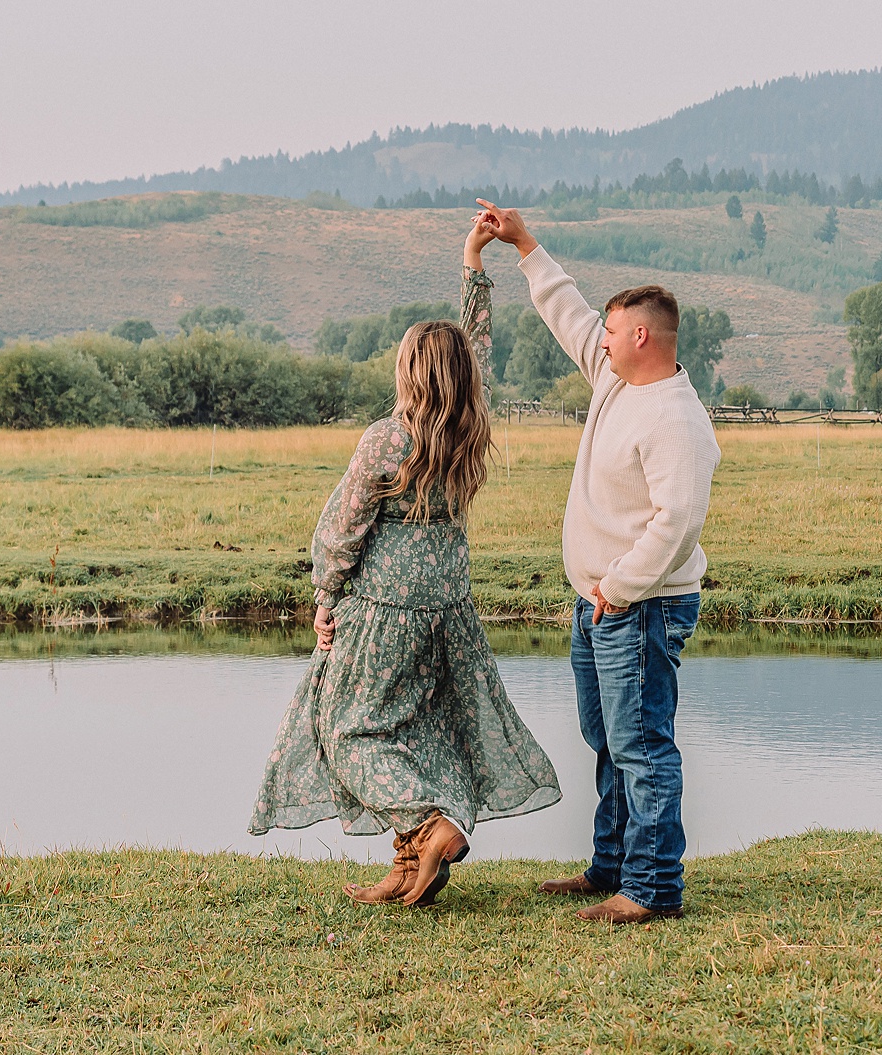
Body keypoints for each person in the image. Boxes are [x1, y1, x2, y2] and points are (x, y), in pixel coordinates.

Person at [248, 221, 560, 906]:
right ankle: (413, 861)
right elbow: (476, 346)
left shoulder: (386, 439)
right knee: (420, 727)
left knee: (347, 728)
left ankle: (428, 822)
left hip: (383, 611)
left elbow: (342, 530)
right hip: (448, 612)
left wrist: (325, 596)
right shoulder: (469, 427)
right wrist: (473, 261)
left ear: (408, 374)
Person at [474, 199, 721, 925]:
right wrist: (525, 247)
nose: (602, 341)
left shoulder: (676, 418)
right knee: (609, 740)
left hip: (638, 606)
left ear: (641, 335)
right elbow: (571, 316)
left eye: (615, 332)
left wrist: (615, 588)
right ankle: (609, 868)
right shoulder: (618, 380)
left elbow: (677, 524)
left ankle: (651, 889)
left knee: (642, 746)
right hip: (601, 603)